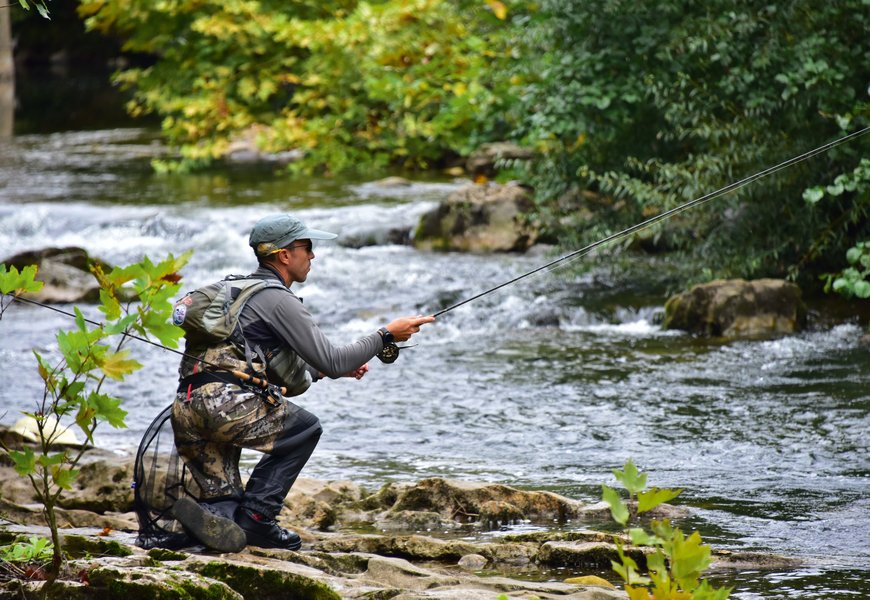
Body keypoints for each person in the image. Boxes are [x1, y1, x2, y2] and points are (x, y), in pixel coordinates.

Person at [170, 214, 434, 553]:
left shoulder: (237, 292)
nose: (313, 256)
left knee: (225, 506)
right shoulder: (278, 299)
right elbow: (334, 358)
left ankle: (217, 520)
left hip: (186, 408)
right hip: (227, 407)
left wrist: (327, 370)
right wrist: (386, 334)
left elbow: (291, 369)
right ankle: (260, 518)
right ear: (284, 255)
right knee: (304, 429)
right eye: (307, 247)